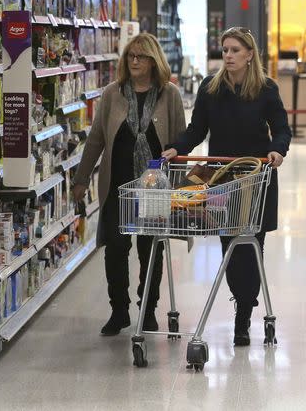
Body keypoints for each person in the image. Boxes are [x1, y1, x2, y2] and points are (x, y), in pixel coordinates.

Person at [162, 27, 291, 346]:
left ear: (250, 55)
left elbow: (283, 130)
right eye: (225, 50)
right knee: (229, 247)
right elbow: (197, 130)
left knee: (251, 245)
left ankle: (244, 313)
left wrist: (277, 150)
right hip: (221, 178)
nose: (229, 56)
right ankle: (242, 305)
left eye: (235, 50)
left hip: (255, 178)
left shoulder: (266, 89)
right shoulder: (211, 88)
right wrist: (178, 148)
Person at [72, 33, 186, 336]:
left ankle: (147, 310)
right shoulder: (112, 93)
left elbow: (180, 142)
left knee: (151, 249)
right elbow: (96, 139)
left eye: (141, 56)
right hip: (117, 184)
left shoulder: (169, 94)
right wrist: (81, 179)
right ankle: (119, 310)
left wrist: (180, 186)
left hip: (155, 186)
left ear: (154, 61)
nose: (134, 61)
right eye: (130, 56)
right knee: (116, 249)